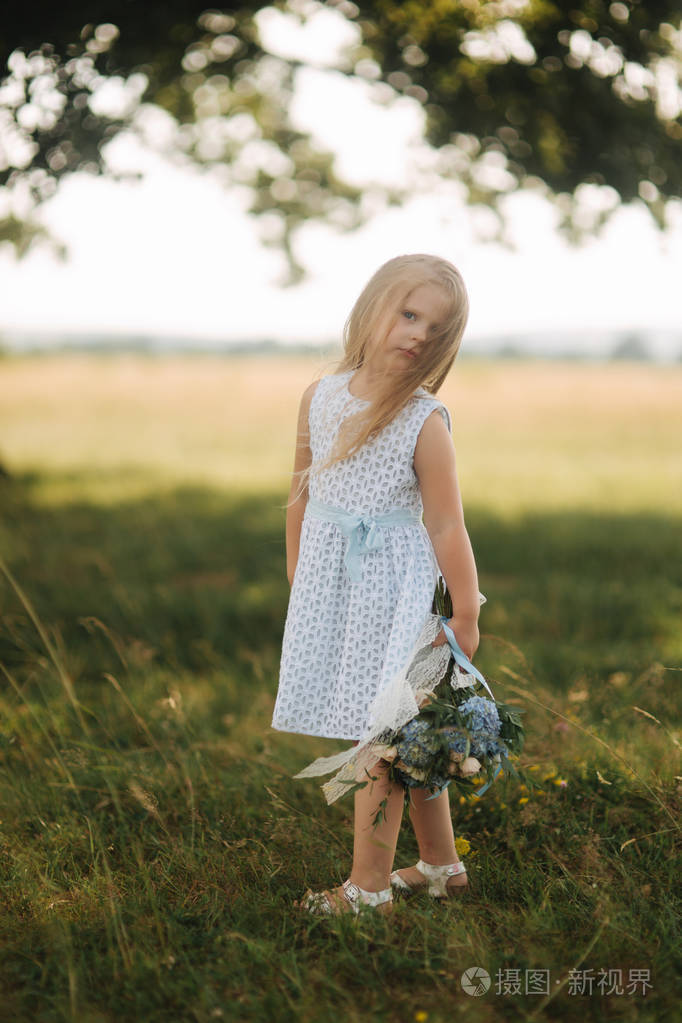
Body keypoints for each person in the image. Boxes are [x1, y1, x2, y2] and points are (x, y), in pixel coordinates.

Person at [271, 253, 481, 915]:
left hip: (398, 591)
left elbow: (447, 524)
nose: (418, 333)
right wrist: (300, 576)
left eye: (435, 328)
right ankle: (442, 865)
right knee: (406, 730)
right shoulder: (321, 397)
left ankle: (366, 890)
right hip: (337, 587)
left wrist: (466, 611)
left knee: (382, 736)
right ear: (372, 308)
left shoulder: (424, 419)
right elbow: (301, 494)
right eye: (409, 313)